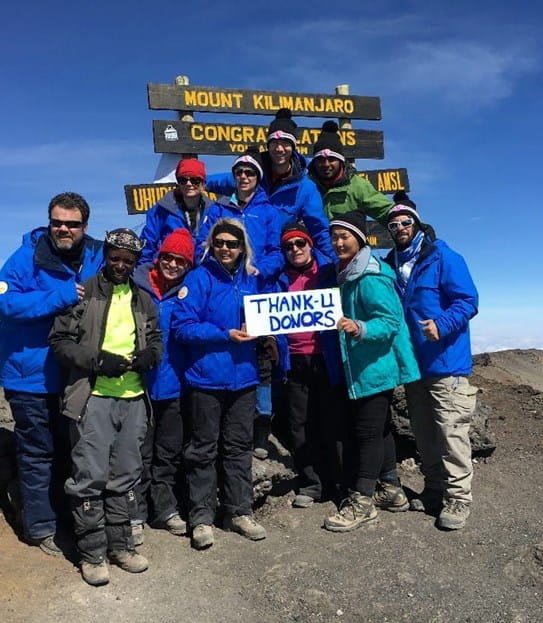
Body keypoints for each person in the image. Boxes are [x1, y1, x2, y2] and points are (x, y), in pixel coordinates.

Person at [48, 229, 162, 586]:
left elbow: (156, 339)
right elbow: (60, 342)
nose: (121, 265)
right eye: (115, 257)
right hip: (93, 396)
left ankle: (121, 545)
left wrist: (150, 356)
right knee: (89, 477)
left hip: (132, 399)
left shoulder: (143, 299)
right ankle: (92, 553)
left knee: (126, 476)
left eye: (128, 261)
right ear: (107, 255)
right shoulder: (82, 294)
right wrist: (97, 361)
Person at [0, 192, 103, 555]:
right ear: (49, 222)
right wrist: (58, 296)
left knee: (73, 450)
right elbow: (5, 302)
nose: (64, 228)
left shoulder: (97, 254)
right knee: (37, 452)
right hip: (29, 375)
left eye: (72, 223)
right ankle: (41, 527)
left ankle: (71, 520)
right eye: (57, 221)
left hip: (75, 376)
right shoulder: (24, 258)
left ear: (84, 226)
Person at [384, 191, 479, 530]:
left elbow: (468, 301)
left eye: (405, 221)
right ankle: (435, 488)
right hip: (413, 364)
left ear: (417, 222)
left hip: (446, 362)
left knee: (451, 431)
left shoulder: (443, 257)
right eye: (393, 224)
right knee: (424, 433)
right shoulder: (391, 263)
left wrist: (442, 324)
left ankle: (458, 498)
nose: (399, 227)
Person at [172, 219, 268, 550]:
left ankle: (239, 511)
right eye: (219, 243)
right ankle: (201, 517)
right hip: (206, 379)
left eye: (232, 243)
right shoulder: (198, 279)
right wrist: (224, 333)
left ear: (243, 247)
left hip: (244, 378)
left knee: (239, 448)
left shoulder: (253, 281)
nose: (225, 248)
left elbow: (267, 320)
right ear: (211, 245)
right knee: (203, 449)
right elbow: (182, 327)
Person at [323, 211, 420, 532]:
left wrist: (359, 327)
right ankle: (391, 490)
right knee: (379, 428)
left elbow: (391, 321)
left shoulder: (371, 275)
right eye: (334, 236)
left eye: (344, 236)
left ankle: (362, 501)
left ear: (360, 238)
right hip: (365, 364)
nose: (338, 242)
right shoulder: (348, 272)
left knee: (367, 432)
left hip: (375, 364)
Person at [197, 148, 284, 458]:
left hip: (257, 290)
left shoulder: (269, 211)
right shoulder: (219, 209)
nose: (244, 177)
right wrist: (212, 275)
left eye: (250, 172)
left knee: (260, 360)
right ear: (233, 177)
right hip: (223, 290)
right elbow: (202, 247)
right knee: (227, 348)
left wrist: (263, 269)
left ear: (258, 177)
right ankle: (227, 428)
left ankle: (260, 431)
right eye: (239, 173)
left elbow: (277, 251)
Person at [277, 223, 347, 508]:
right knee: (299, 423)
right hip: (293, 359)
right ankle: (311, 483)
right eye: (289, 245)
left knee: (334, 421)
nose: (295, 249)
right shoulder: (278, 278)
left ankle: (341, 484)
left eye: (300, 243)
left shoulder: (329, 272)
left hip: (326, 357)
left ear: (310, 245)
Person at [132, 228, 194, 544]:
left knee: (168, 452)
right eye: (168, 257)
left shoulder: (191, 289)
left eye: (180, 260)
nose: (172, 264)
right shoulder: (135, 284)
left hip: (175, 383)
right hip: (138, 384)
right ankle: (136, 514)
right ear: (159, 257)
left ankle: (165, 508)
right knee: (138, 452)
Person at [205, 109, 334, 258]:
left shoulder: (305, 188)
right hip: (242, 254)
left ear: (293, 147)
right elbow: (217, 182)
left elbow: (319, 228)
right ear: (268, 145)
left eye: (285, 143)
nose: (279, 149)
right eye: (274, 143)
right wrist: (191, 180)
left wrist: (336, 261)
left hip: (278, 256)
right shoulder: (252, 174)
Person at [308, 120, 393, 224]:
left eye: (331, 159)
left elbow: (386, 211)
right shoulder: (305, 185)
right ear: (314, 162)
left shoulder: (358, 186)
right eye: (320, 159)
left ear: (340, 161)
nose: (326, 164)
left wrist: (403, 217)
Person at [139, 158, 212, 263]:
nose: (188, 184)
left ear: (203, 183)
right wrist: (143, 274)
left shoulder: (214, 212)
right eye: (183, 180)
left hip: (200, 273)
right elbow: (147, 246)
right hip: (168, 270)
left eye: (195, 180)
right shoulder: (160, 210)